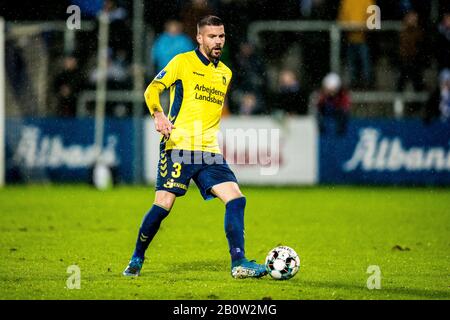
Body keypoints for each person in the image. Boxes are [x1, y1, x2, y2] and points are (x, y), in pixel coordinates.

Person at [123, 16, 267, 279]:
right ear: (200, 38)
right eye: (212, 36)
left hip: (209, 151)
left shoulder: (225, 73)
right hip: (178, 146)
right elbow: (151, 90)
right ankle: (137, 257)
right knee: (163, 205)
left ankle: (239, 263)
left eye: (221, 36)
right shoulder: (182, 62)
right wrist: (158, 114)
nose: (218, 41)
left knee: (236, 199)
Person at [396, 11, 425, 92]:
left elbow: (420, 47)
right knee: (401, 83)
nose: (412, 20)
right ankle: (398, 101)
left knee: (417, 83)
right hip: (404, 61)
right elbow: (401, 48)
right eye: (410, 18)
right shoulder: (402, 32)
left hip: (415, 61)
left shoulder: (419, 32)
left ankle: (417, 103)